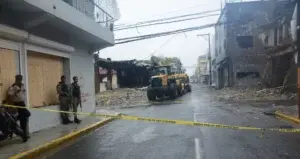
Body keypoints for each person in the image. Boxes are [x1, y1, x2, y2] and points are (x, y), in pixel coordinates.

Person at [7, 75, 30, 140]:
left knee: (24, 119)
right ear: (16, 79)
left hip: (22, 104)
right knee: (26, 115)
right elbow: (9, 96)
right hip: (17, 104)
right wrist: (12, 105)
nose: (20, 80)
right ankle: (24, 135)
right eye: (19, 79)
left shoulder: (22, 85)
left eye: (21, 78)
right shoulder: (13, 87)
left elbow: (23, 93)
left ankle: (24, 134)